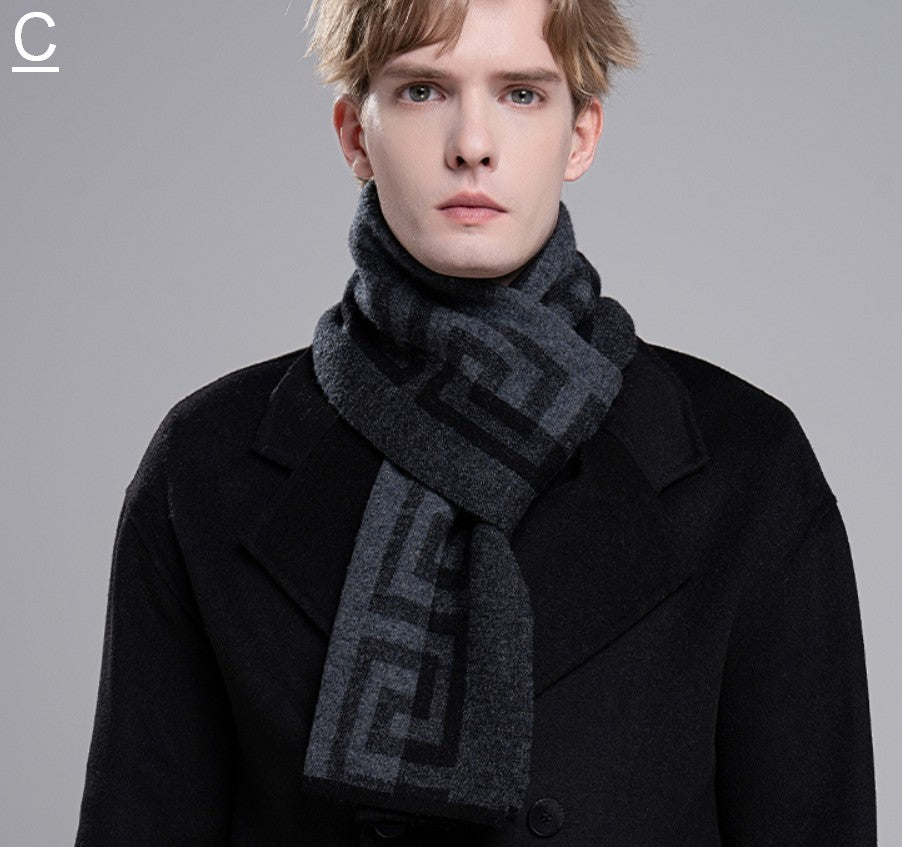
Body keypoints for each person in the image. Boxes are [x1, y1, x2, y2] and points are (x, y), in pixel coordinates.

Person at [74, 0, 877, 844]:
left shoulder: (747, 463)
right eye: (422, 90)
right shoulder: (206, 464)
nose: (472, 144)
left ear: (581, 135)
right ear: (354, 135)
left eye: (522, 94)